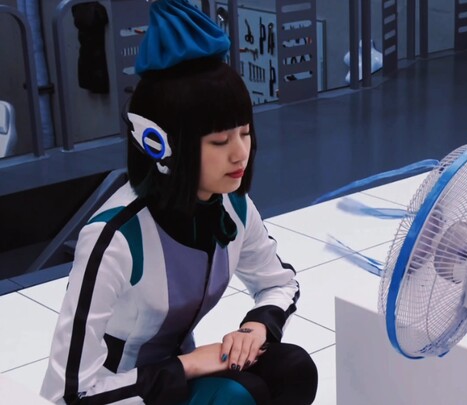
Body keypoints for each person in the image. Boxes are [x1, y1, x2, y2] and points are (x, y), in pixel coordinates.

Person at [40, 1, 318, 403]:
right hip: (119, 392)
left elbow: (279, 283)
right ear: (159, 144)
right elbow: (70, 390)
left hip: (175, 369)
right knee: (237, 395)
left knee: (292, 367)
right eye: (219, 141)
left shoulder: (233, 206)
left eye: (244, 133)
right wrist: (188, 365)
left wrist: (256, 327)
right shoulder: (115, 237)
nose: (240, 153)